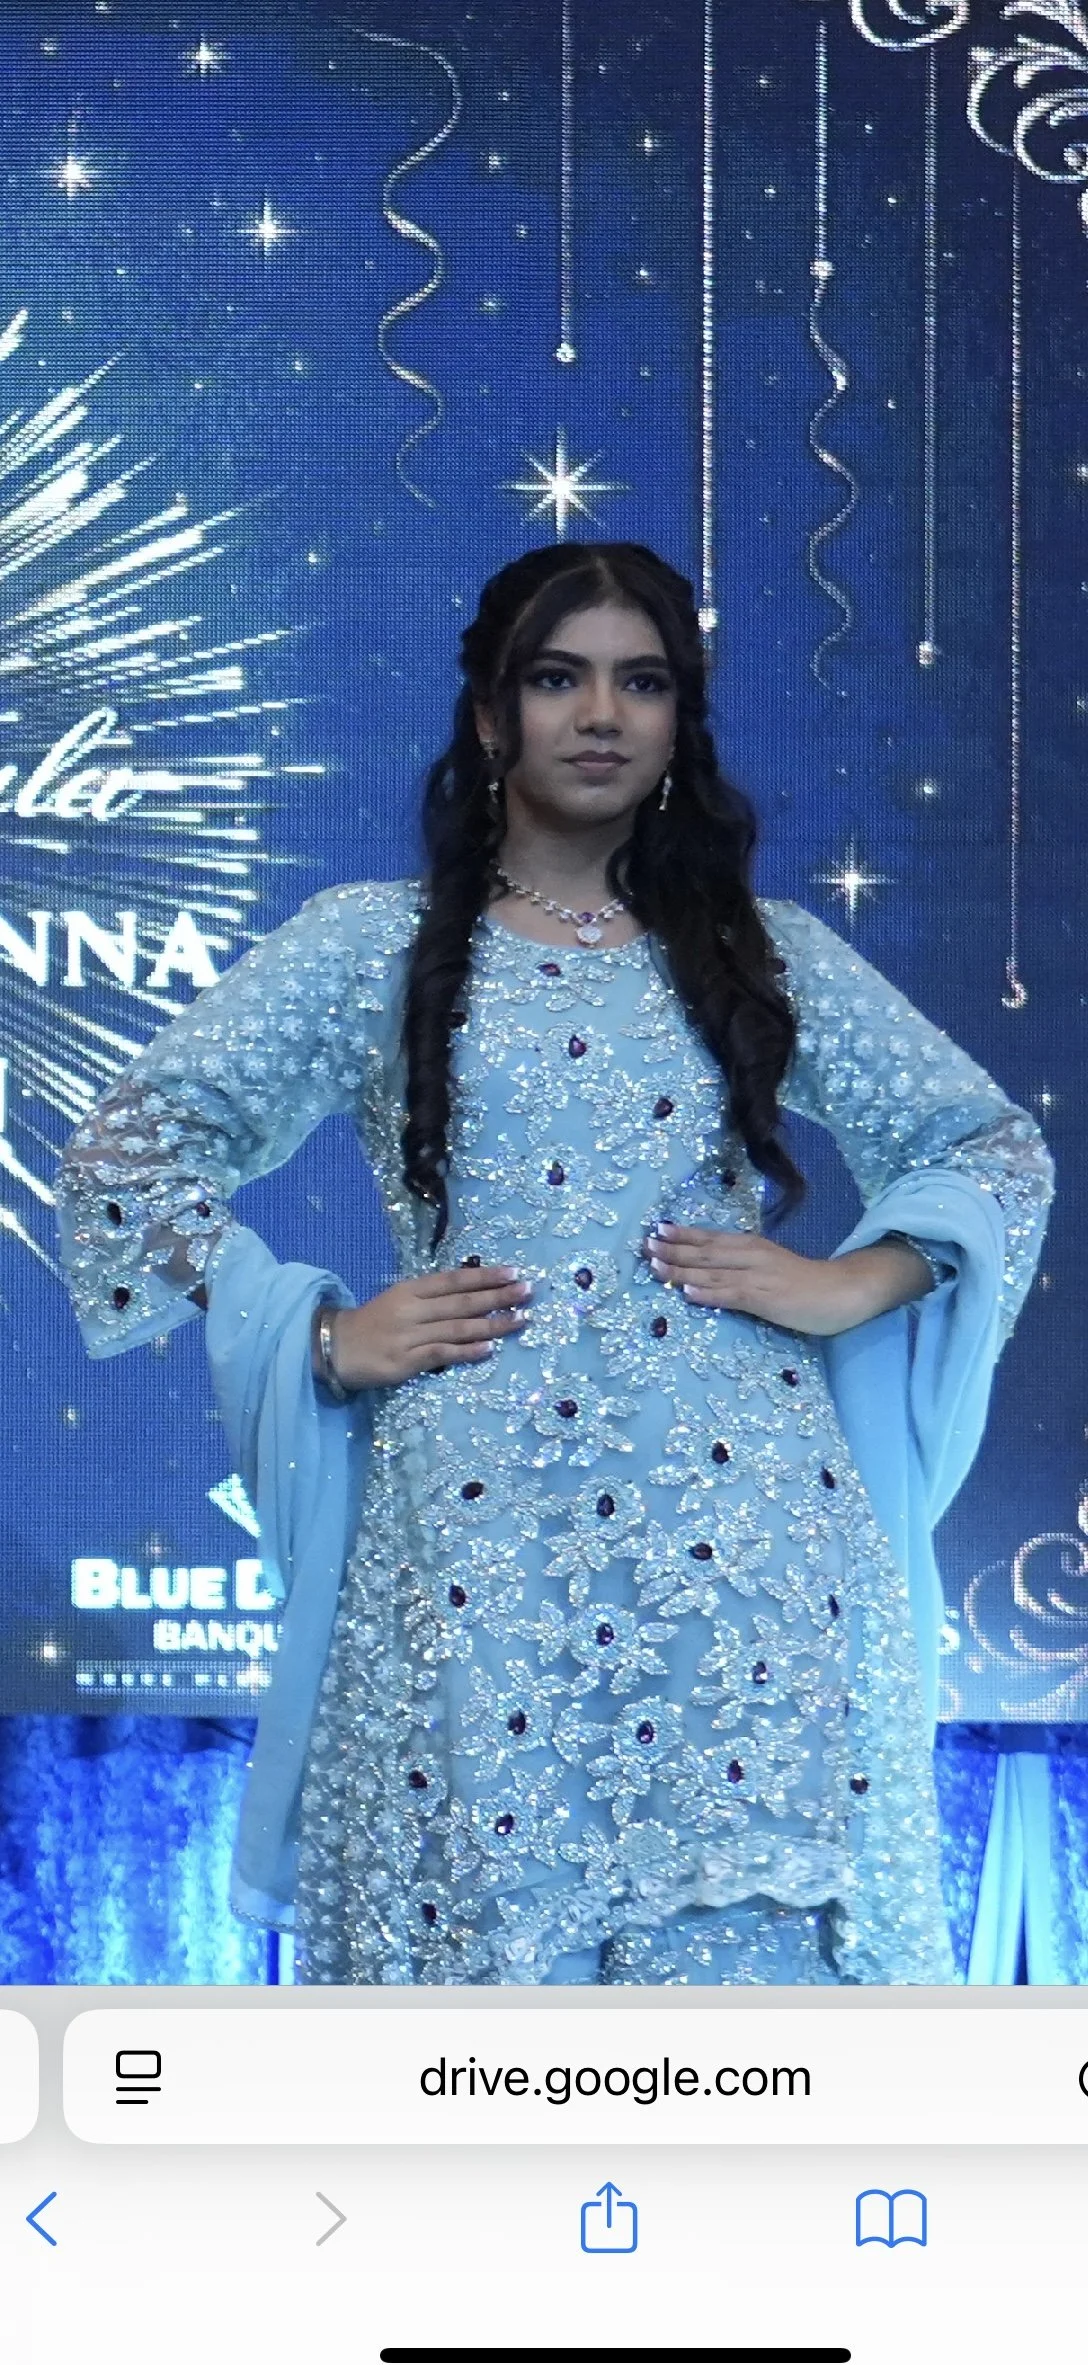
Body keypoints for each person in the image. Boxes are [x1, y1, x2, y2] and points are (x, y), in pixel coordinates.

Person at [55, 541, 1054, 1987]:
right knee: (481, 1981)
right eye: (557, 678)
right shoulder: (369, 949)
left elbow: (988, 1147)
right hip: (473, 1545)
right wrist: (322, 1336)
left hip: (752, 1556)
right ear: (488, 717)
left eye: (641, 682)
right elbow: (130, 1151)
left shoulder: (765, 954)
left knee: (752, 1985)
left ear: (679, 722)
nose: (601, 715)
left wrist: (851, 1280)